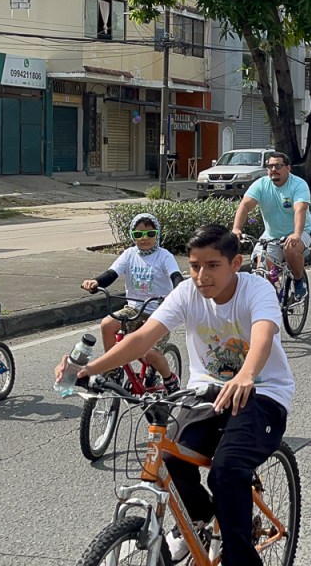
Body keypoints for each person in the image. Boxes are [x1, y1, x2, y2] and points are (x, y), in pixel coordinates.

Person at [55, 224, 294, 566]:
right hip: (205, 393)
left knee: (225, 472)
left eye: (212, 266)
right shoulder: (187, 294)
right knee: (168, 458)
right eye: (195, 266)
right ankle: (200, 521)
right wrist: (89, 370)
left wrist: (246, 375)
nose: (201, 275)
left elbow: (263, 336)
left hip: (261, 394)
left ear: (235, 263)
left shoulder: (256, 291)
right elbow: (142, 339)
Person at [81, 212, 183, 393]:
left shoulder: (164, 256)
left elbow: (176, 277)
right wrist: (96, 282)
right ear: (132, 236)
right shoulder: (129, 254)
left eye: (150, 234)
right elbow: (111, 274)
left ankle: (170, 379)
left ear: (157, 234)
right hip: (133, 308)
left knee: (148, 352)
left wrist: (176, 293)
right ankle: (113, 370)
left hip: (159, 313)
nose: (144, 239)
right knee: (107, 324)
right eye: (138, 235)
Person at [232, 151, 311, 300]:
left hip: (300, 231)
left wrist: (296, 234)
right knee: (262, 268)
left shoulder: (298, 184)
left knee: (290, 248)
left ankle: (298, 280)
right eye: (270, 166)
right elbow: (244, 206)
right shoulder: (261, 185)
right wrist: (236, 229)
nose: (273, 170)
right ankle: (274, 295)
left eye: (278, 166)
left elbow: (300, 209)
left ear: (288, 168)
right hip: (271, 235)